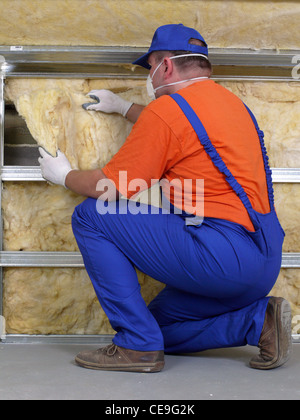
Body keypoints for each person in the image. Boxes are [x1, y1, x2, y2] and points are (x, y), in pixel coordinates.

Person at [38, 23, 292, 372]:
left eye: (152, 68)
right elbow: (180, 128)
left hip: (222, 256)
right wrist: (125, 107)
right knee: (158, 327)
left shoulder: (169, 110)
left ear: (166, 66)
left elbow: (111, 185)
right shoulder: (234, 106)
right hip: (263, 261)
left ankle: (135, 347)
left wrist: (63, 175)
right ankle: (257, 321)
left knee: (91, 215)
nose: (151, 78)